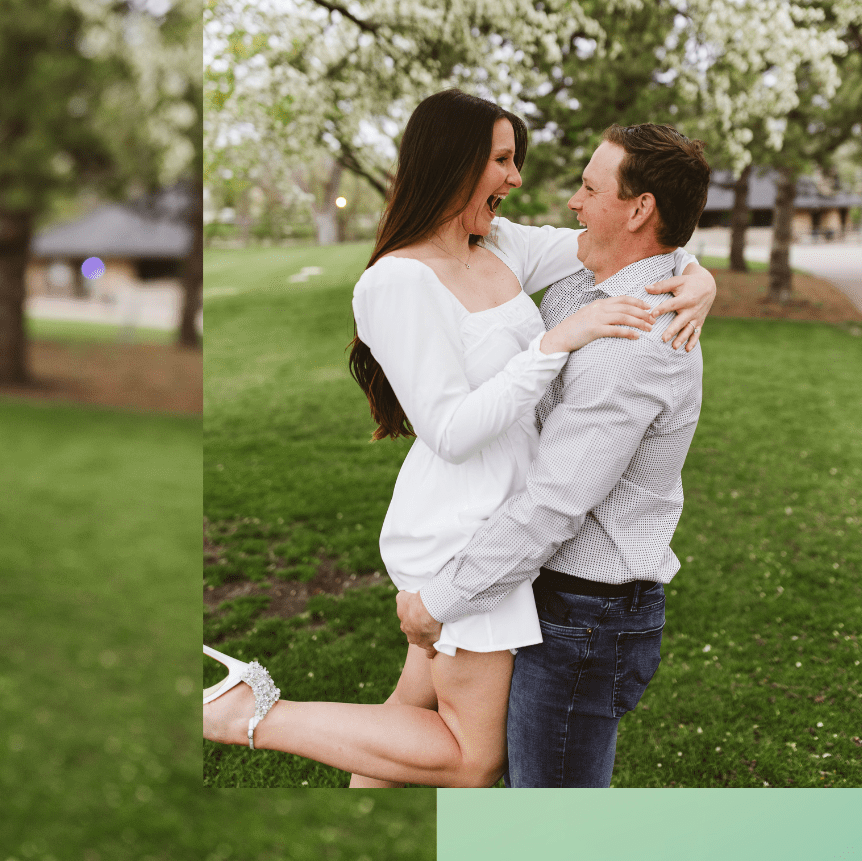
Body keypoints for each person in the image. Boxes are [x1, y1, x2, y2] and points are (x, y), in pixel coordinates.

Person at [202, 92, 714, 788]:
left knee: (401, 723)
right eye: (502, 160)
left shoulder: (499, 246)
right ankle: (252, 713)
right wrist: (554, 344)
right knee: (472, 758)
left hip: (498, 520)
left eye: (516, 160)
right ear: (456, 162)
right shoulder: (397, 282)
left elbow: (644, 241)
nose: (520, 179)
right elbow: (447, 429)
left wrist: (697, 277)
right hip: (464, 523)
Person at [398, 121, 714, 787]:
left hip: (586, 618)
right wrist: (695, 269)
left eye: (589, 188)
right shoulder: (584, 281)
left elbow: (554, 503)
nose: (573, 201)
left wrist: (440, 600)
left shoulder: (639, 338)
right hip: (538, 587)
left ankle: (250, 715)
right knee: (425, 735)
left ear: (639, 208)